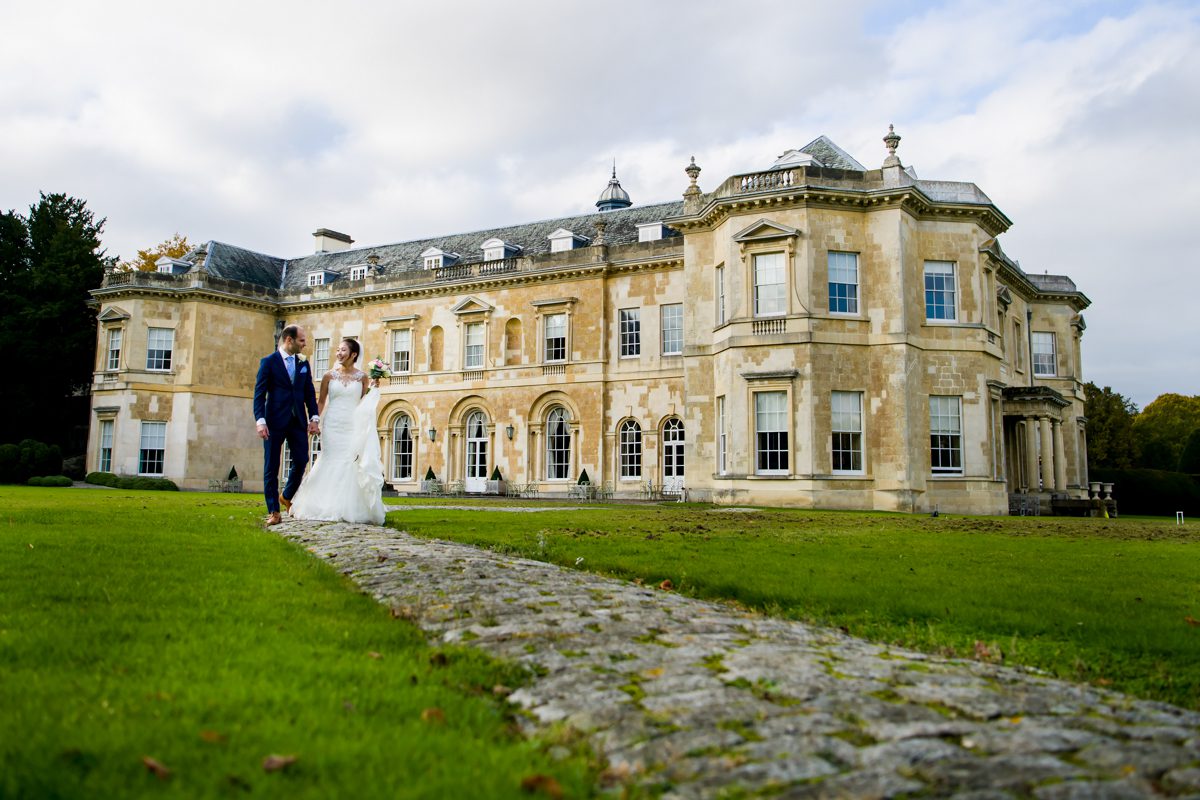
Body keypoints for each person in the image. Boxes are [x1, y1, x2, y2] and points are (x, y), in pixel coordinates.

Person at [289, 338, 387, 524]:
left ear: (354, 354)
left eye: (343, 350)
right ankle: (319, 504)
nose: (338, 353)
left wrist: (374, 388)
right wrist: (314, 421)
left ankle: (346, 506)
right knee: (329, 458)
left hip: (351, 425)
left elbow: (364, 402)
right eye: (338, 350)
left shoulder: (362, 377)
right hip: (332, 424)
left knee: (348, 462)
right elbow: (321, 401)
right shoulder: (328, 376)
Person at [253, 325, 320, 526]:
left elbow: (308, 391)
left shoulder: (303, 363)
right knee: (271, 466)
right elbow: (259, 394)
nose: (305, 344)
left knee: (301, 460)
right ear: (289, 340)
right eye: (301, 340)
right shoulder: (268, 362)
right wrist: (260, 421)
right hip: (273, 421)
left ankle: (287, 495)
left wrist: (314, 417)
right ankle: (274, 511)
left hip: (297, 419)